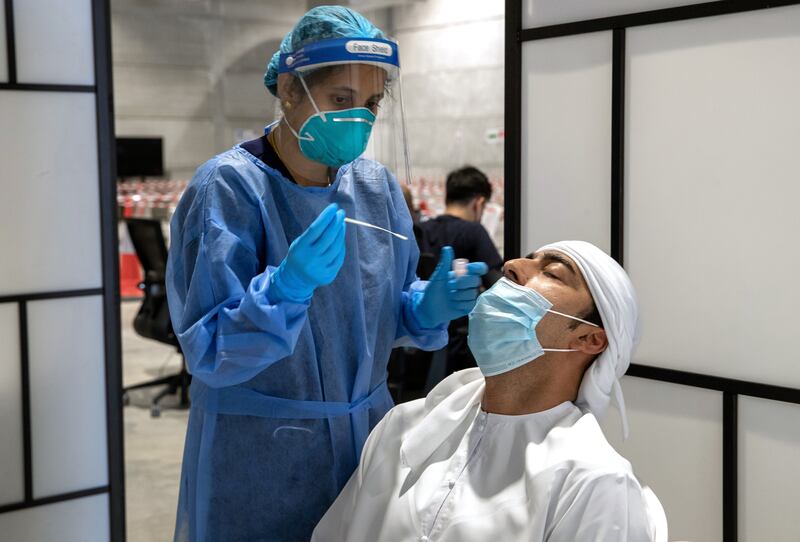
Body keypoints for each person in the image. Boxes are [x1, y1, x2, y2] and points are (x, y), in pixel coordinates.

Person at [165, 7, 488, 541]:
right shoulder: (227, 188)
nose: (358, 118)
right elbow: (211, 349)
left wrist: (423, 307)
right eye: (341, 100)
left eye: (371, 104)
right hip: (262, 452)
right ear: (290, 89)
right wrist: (285, 289)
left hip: (367, 442)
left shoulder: (375, 187)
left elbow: (379, 308)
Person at [312, 240, 667, 542]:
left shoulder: (593, 484)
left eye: (553, 272)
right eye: (526, 258)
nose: (512, 266)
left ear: (589, 339)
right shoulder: (403, 428)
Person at [418, 166, 504, 374]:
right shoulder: (473, 231)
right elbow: (498, 285)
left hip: (420, 346)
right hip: (459, 350)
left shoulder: (422, 229)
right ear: (479, 203)